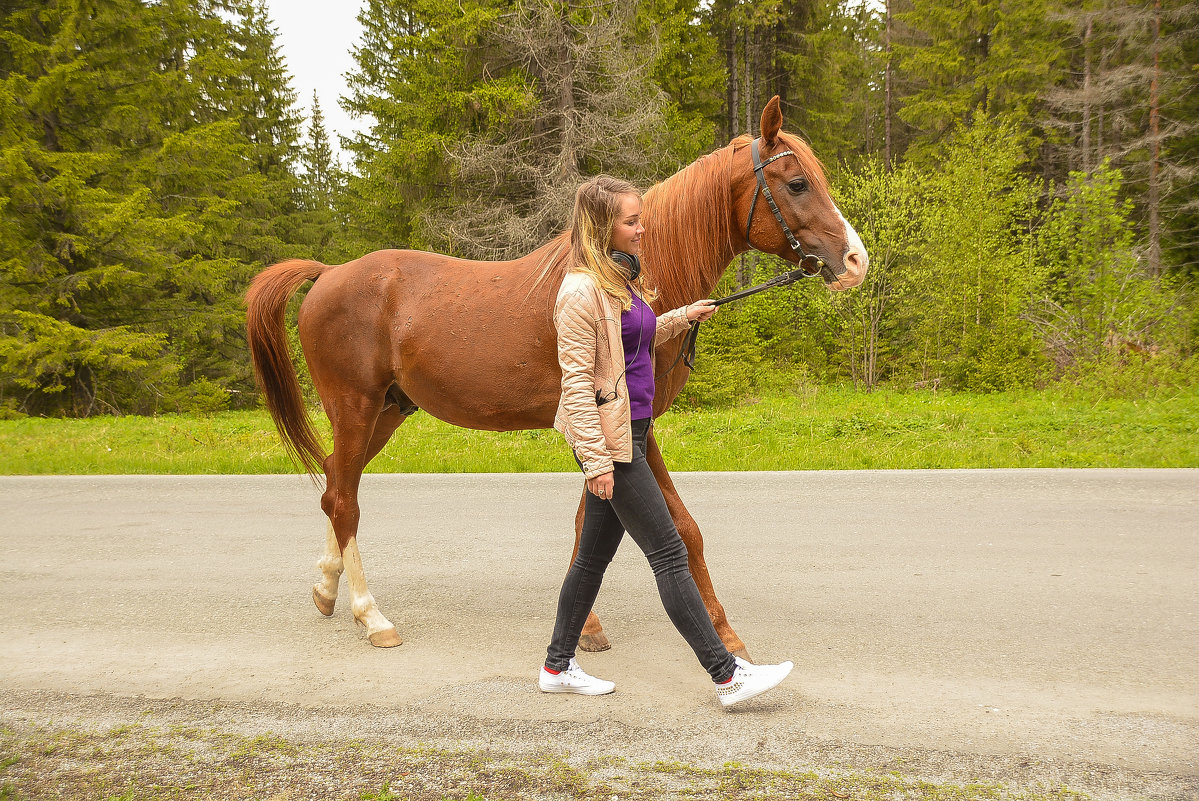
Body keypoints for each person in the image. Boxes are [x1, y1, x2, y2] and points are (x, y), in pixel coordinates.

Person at [539, 174, 794, 709]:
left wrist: (684, 315)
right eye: (632, 221)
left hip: (632, 430)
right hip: (612, 442)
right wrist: (595, 462)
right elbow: (577, 384)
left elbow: (634, 339)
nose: (642, 228)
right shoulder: (579, 292)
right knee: (670, 554)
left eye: (640, 218)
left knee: (590, 561)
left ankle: (557, 666)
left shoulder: (617, 281)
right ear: (602, 226)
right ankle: (727, 676)